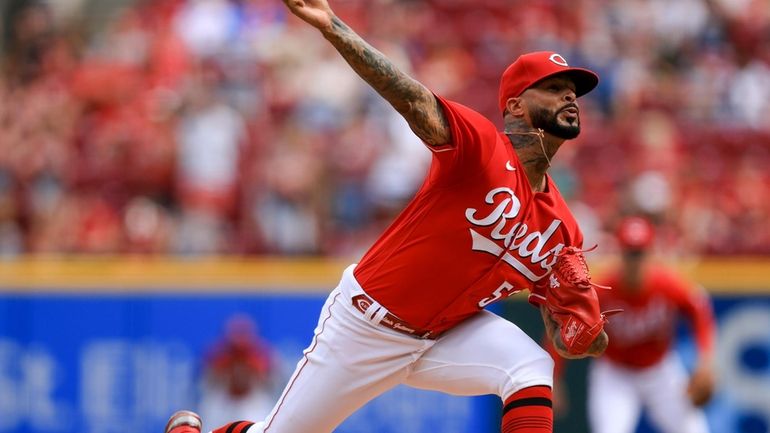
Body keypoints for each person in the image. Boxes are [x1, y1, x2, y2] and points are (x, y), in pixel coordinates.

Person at [165, 0, 610, 432]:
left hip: (446, 336)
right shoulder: (481, 148)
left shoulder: (562, 227)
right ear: (514, 105)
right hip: (367, 326)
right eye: (553, 87)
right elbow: (411, 98)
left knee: (530, 364)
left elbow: (569, 333)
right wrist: (332, 26)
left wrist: (586, 337)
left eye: (572, 91)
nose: (569, 95)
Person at [554, 216, 716, 433]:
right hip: (615, 374)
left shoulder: (666, 285)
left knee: (694, 430)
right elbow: (565, 330)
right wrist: (554, 376)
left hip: (660, 371)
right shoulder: (603, 290)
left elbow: (699, 309)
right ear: (620, 253)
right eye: (630, 253)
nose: (635, 261)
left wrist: (705, 362)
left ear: (650, 253)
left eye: (639, 253)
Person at [198, 315, 277, 432]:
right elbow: (204, 382)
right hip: (222, 405)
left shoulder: (264, 406)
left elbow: (274, 381)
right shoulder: (212, 405)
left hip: (254, 404)